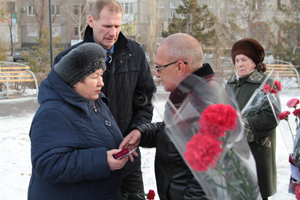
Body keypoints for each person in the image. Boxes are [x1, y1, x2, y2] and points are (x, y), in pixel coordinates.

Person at [54, 0, 156, 199]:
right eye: (107, 26)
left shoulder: (134, 53)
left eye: (118, 26)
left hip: (128, 159)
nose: (113, 32)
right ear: (91, 21)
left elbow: (145, 101)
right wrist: (93, 157)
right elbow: (62, 116)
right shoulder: (68, 61)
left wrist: (138, 130)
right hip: (92, 163)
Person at [119, 33, 224, 199]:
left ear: (180, 67)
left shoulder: (201, 107)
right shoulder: (190, 94)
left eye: (160, 67)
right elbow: (177, 131)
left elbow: (204, 186)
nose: (157, 75)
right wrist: (143, 133)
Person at [28, 43, 128, 200]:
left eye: (101, 75)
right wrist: (102, 160)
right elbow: (47, 164)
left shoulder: (95, 101)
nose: (101, 82)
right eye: (94, 76)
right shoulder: (53, 113)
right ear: (74, 81)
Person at [226, 38, 277, 200]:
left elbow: (271, 116)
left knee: (255, 193)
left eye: (244, 60)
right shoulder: (231, 84)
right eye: (237, 60)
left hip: (257, 150)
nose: (240, 64)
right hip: (233, 150)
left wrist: (243, 128)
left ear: (255, 62)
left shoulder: (266, 83)